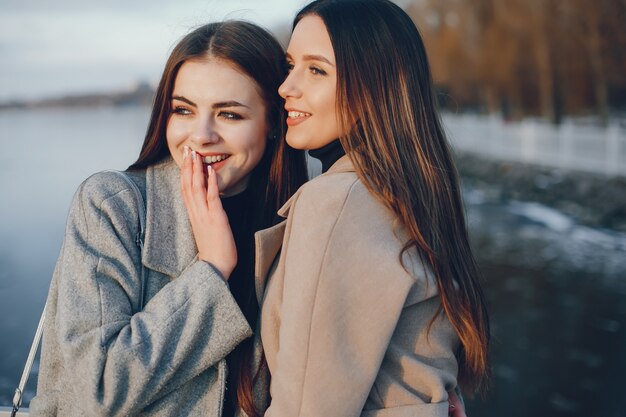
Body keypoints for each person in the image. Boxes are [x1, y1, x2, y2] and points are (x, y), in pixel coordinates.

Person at [29, 21, 307, 417]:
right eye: (183, 110)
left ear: (275, 125)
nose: (200, 135)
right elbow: (95, 390)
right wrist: (211, 267)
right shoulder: (112, 205)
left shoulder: (299, 218)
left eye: (229, 114)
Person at [253, 1, 491, 416]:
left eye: (317, 70)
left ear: (374, 86)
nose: (286, 87)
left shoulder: (336, 202)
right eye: (291, 65)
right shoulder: (408, 193)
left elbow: (308, 408)